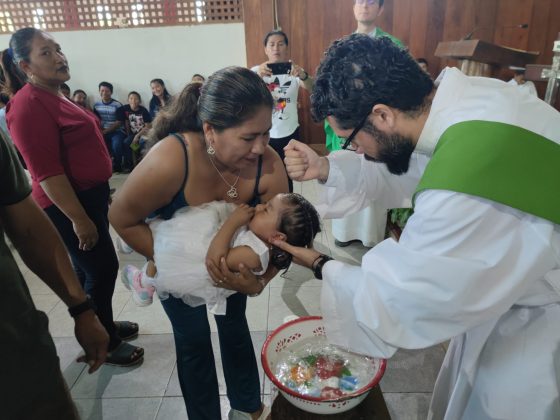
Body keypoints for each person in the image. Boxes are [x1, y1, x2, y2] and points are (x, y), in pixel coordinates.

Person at [276, 34, 560, 419]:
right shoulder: (470, 102)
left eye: (351, 140)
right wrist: (326, 167)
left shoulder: (470, 178)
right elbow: (417, 166)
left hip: (539, 327)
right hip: (517, 294)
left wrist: (323, 266)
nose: (355, 151)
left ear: (381, 115)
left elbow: (402, 298)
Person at [109, 66, 289, 420]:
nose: (261, 147)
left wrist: (258, 281)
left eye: (267, 133)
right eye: (248, 137)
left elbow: (285, 237)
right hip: (176, 269)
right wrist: (181, 263)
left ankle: (248, 406)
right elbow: (120, 217)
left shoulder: (267, 166)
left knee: (234, 327)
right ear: (210, 131)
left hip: (231, 264)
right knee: (193, 341)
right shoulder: (173, 157)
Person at [1, 27, 144, 367]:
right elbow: (47, 172)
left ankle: (103, 324)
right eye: (45, 53)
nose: (59, 57)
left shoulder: (55, 94)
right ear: (25, 66)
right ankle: (104, 341)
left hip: (87, 197)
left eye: (58, 49)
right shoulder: (27, 105)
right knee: (102, 267)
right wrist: (78, 218)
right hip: (67, 204)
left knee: (86, 270)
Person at [0, 129, 109, 419]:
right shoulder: (27, 108)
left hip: (12, 341)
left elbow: (28, 228)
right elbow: (46, 173)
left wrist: (82, 309)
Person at [122, 193, 320, 311]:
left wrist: (233, 222)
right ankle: (139, 255)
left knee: (169, 243)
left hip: (201, 260)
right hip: (214, 241)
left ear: (278, 237)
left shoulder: (252, 255)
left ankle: (143, 282)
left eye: (267, 210)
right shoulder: (258, 237)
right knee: (176, 228)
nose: (259, 206)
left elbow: (214, 261)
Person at [326, 0, 403, 248]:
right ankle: (344, 232)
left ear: (380, 9)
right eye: (360, 0)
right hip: (346, 125)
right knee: (346, 176)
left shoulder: (392, 46)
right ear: (353, 6)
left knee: (374, 179)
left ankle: (370, 235)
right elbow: (330, 88)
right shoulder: (340, 47)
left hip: (376, 126)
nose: (365, 6)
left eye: (372, 2)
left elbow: (398, 90)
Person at [252, 30, 313, 192]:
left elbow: (313, 88)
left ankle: (288, 204)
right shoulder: (255, 71)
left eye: (280, 44)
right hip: (264, 133)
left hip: (289, 132)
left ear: (286, 48)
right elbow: (244, 94)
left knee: (288, 174)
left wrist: (304, 75)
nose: (276, 48)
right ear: (265, 49)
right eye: (271, 44)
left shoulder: (294, 71)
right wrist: (257, 76)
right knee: (264, 172)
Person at [93, 81, 126, 171]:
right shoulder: (96, 105)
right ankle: (104, 165)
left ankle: (118, 166)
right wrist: (101, 130)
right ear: (99, 91)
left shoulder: (117, 105)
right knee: (96, 144)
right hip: (102, 130)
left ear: (111, 92)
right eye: (102, 90)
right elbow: (96, 120)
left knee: (116, 145)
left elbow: (119, 122)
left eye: (107, 91)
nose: (104, 93)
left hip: (117, 131)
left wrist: (105, 131)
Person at [116, 91, 152, 169]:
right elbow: (126, 122)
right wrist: (129, 135)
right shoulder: (125, 109)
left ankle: (142, 165)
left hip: (143, 133)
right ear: (128, 100)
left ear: (139, 101)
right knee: (126, 142)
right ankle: (130, 166)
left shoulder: (143, 111)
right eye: (131, 98)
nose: (133, 101)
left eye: (136, 99)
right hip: (133, 134)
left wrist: (137, 136)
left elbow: (148, 126)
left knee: (141, 143)